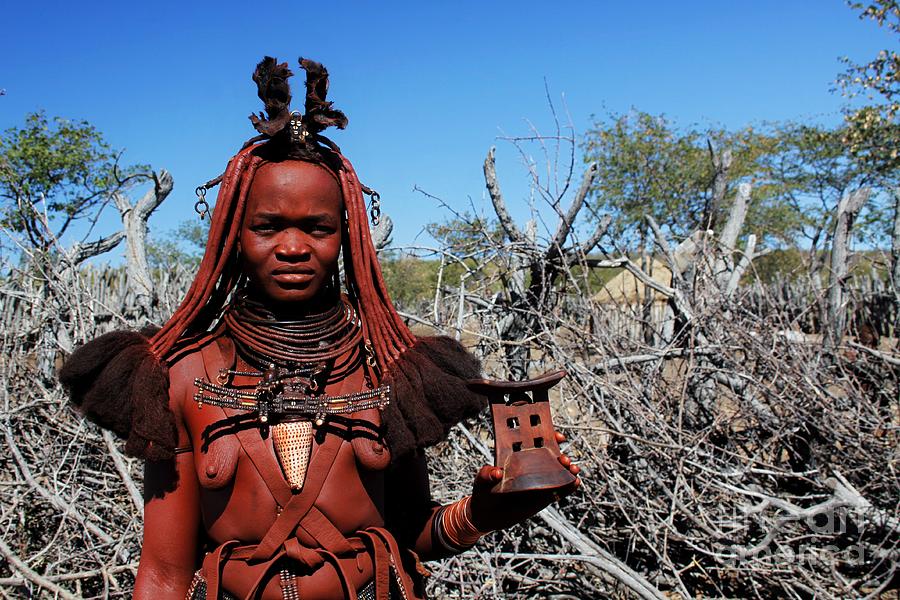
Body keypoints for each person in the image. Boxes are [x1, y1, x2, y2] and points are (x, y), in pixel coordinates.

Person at [60, 57, 580, 600]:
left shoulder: (385, 369)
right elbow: (164, 573)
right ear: (235, 234)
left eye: (316, 227)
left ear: (346, 237)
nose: (291, 247)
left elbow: (413, 535)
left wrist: (483, 512)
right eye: (267, 226)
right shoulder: (184, 377)